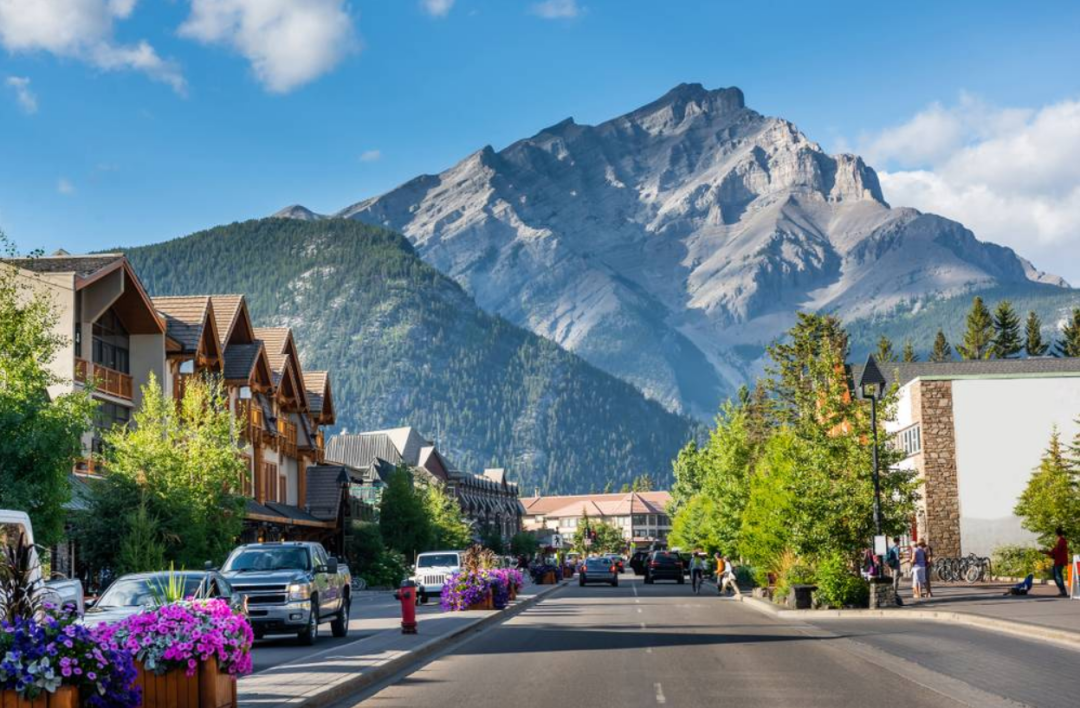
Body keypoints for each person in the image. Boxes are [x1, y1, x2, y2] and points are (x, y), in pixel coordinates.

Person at [1045, 527, 1070, 598]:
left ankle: (1063, 591)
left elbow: (1056, 551)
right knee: (1056, 576)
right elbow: (1056, 551)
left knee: (1058, 577)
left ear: (1056, 534)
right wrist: (1048, 552)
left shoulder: (1061, 541)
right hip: (1058, 561)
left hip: (1059, 561)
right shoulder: (1061, 541)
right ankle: (1062, 591)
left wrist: (1047, 552)